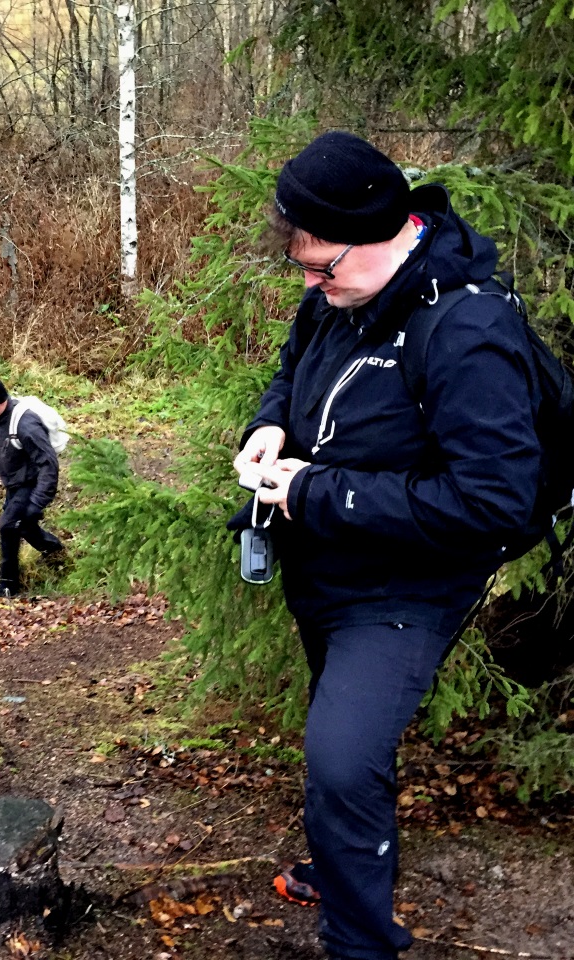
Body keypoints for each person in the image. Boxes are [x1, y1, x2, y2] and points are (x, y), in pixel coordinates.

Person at [231, 132, 541, 960]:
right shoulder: (341, 294)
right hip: (325, 570)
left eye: (321, 266)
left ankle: (360, 942)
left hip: (408, 591)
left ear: (381, 232)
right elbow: (295, 360)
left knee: (340, 757)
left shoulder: (466, 330)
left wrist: (312, 491)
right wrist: (269, 424)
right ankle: (343, 862)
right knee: (347, 747)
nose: (310, 283)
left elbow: (492, 502)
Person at [0, 377, 63, 597]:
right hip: (14, 483)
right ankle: (55, 552)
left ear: (2, 402)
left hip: (32, 483)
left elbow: (49, 465)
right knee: (24, 525)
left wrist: (37, 502)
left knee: (8, 526)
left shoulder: (26, 425)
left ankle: (8, 584)